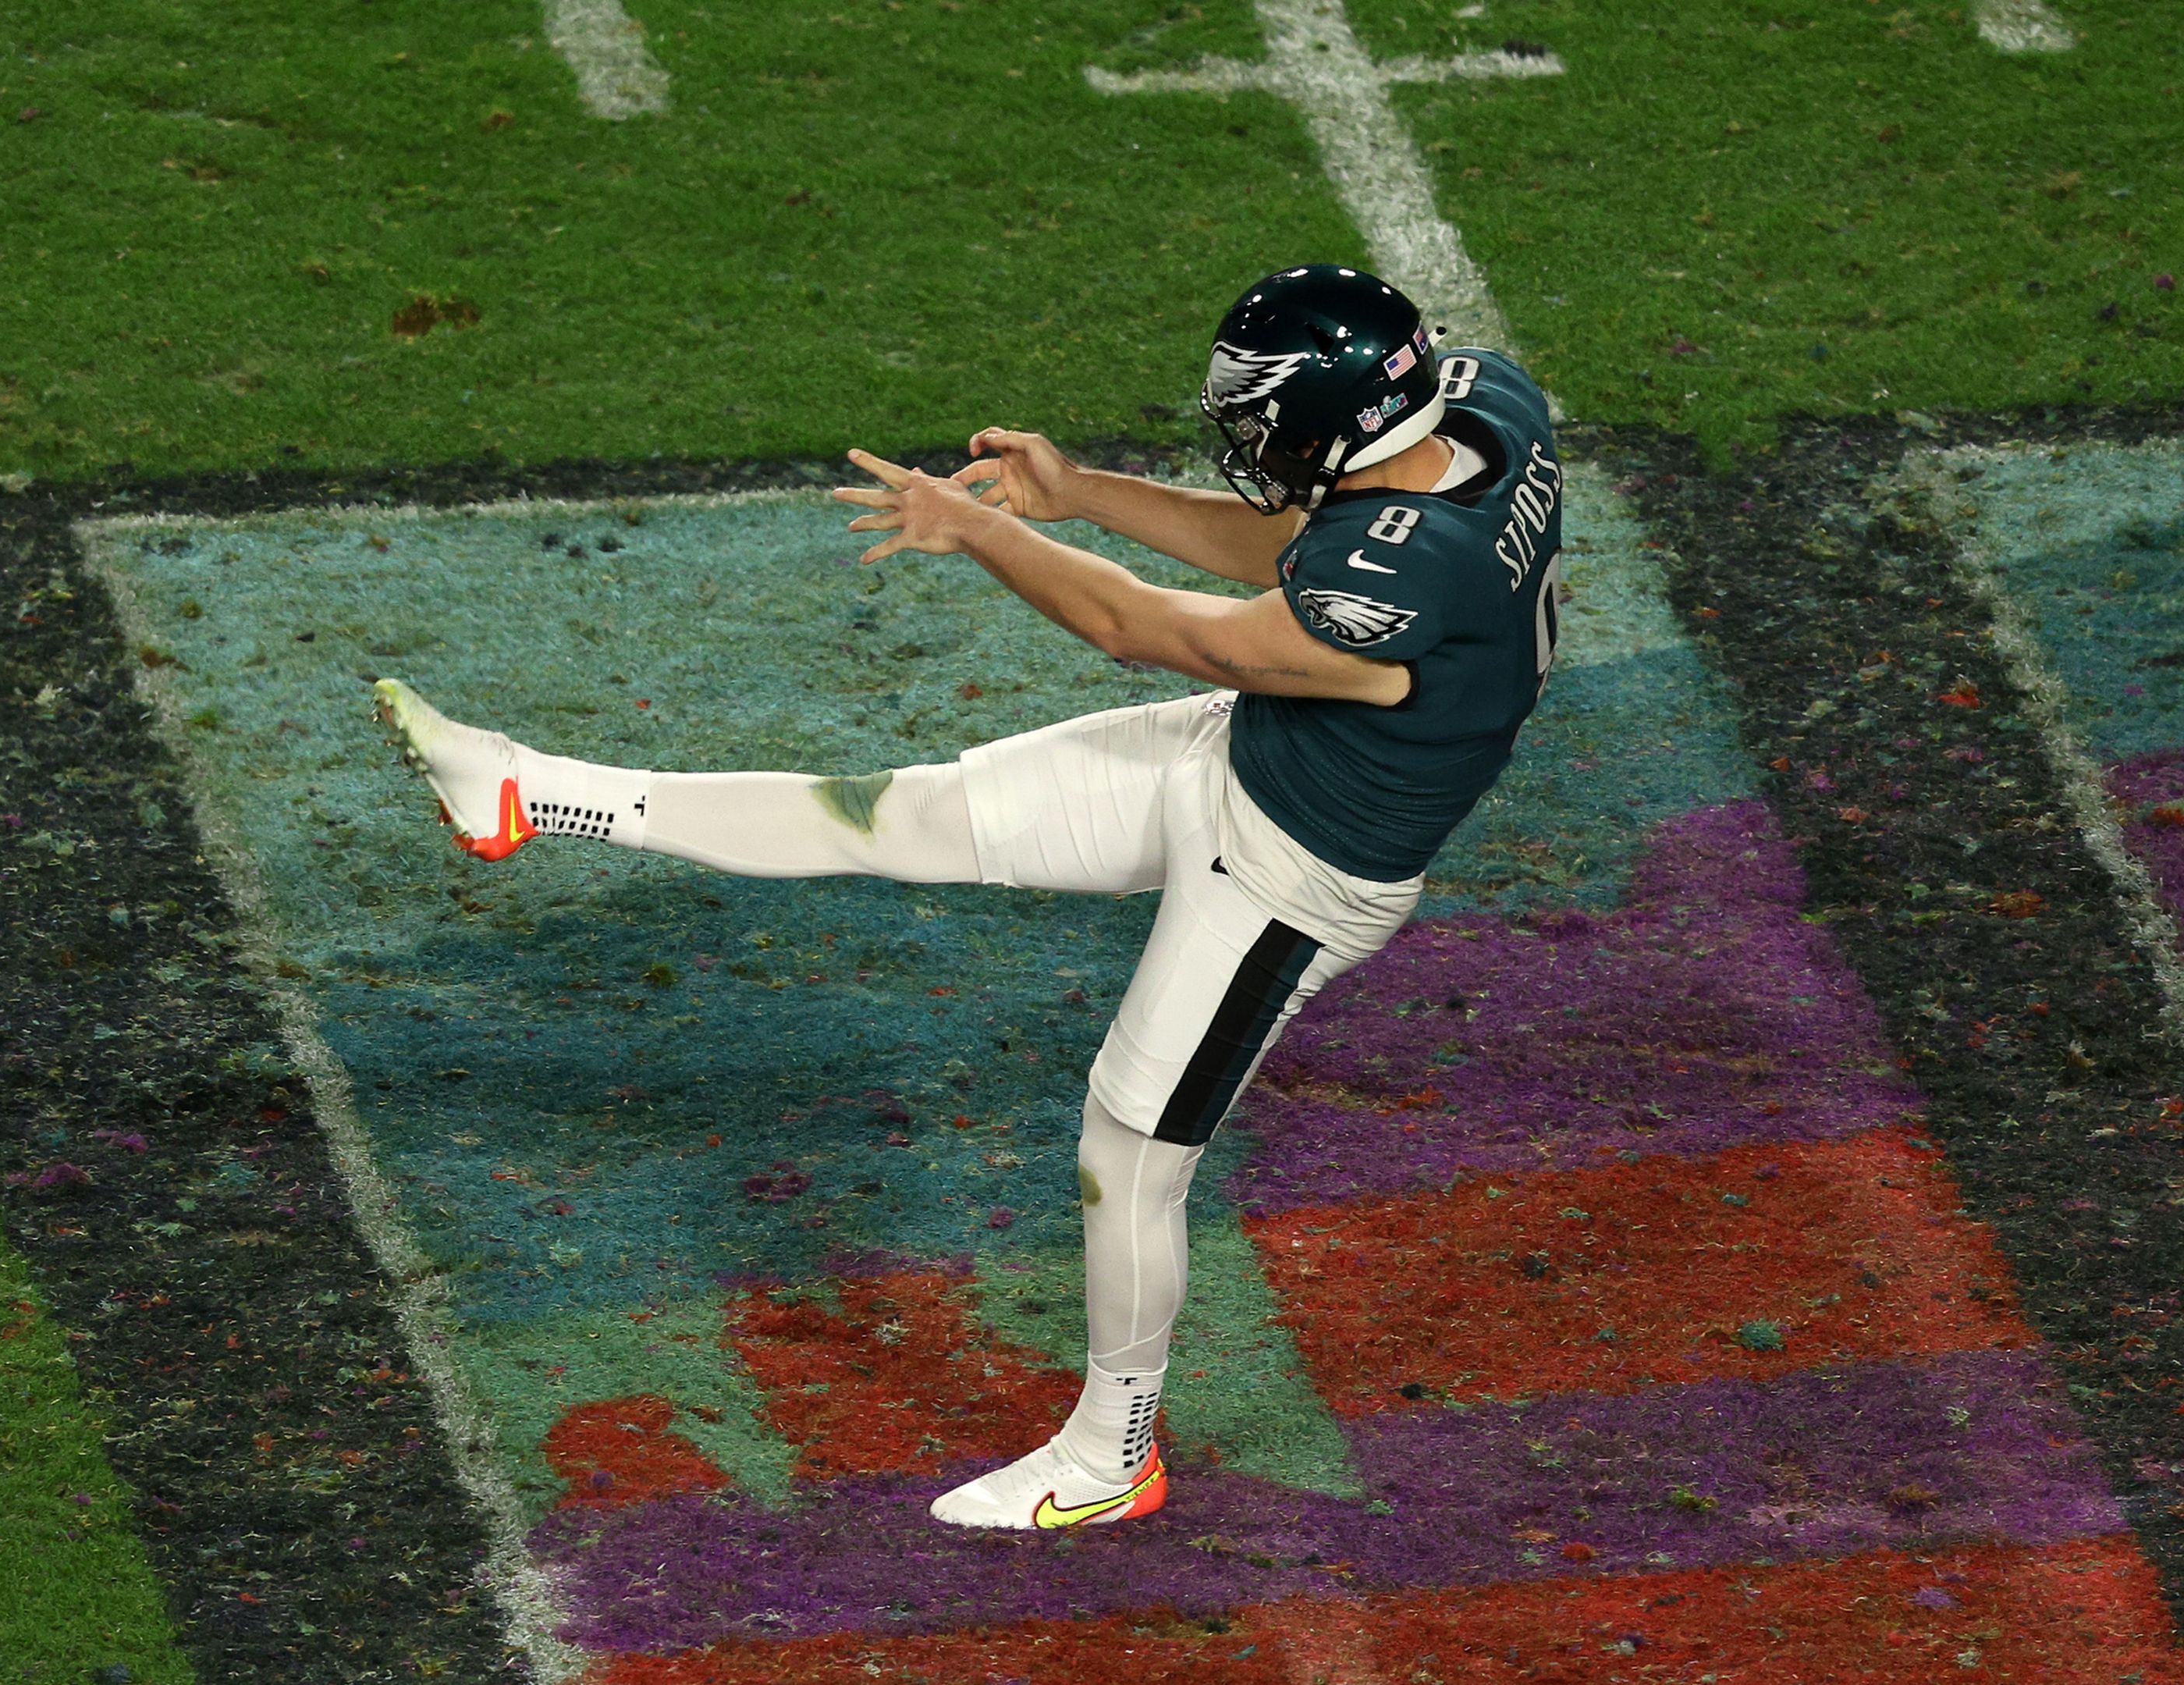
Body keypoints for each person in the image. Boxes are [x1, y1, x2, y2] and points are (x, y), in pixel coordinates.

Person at [372, 265, 1563, 1529]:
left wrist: (991, 530)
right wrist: (1084, 495)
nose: (1244, 446)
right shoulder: (1483, 414)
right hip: (1246, 754)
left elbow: (1158, 632)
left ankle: (1114, 1456)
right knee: (896, 813)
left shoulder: (1410, 578)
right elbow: (1300, 542)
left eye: (1260, 421)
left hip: (1293, 874)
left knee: (1131, 1150)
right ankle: (525, 788)